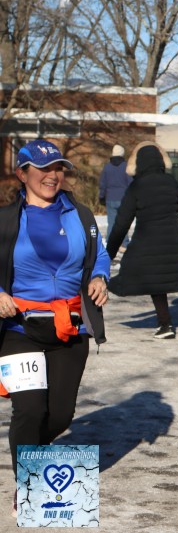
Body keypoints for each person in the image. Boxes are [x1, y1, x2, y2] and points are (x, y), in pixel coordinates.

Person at [0, 140, 111, 496]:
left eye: (58, 168)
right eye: (43, 169)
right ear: (23, 174)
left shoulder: (80, 215)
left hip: (70, 327)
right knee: (30, 410)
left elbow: (99, 254)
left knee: (60, 416)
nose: (53, 175)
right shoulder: (5, 220)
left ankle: (34, 460)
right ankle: (28, 488)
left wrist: (99, 277)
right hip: (19, 328)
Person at [104, 142, 178, 340]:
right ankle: (165, 324)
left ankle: (92, 307)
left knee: (130, 271)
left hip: (147, 240)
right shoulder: (170, 182)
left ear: (140, 163)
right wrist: (169, 216)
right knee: (157, 281)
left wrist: (108, 254)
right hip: (172, 241)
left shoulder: (137, 186)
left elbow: (121, 224)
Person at [99, 144, 132, 251]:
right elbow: (130, 183)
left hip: (110, 198)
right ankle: (124, 243)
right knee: (123, 222)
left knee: (111, 222)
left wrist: (102, 196)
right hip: (123, 198)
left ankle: (110, 242)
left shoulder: (107, 167)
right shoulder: (126, 166)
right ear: (122, 154)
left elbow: (103, 184)